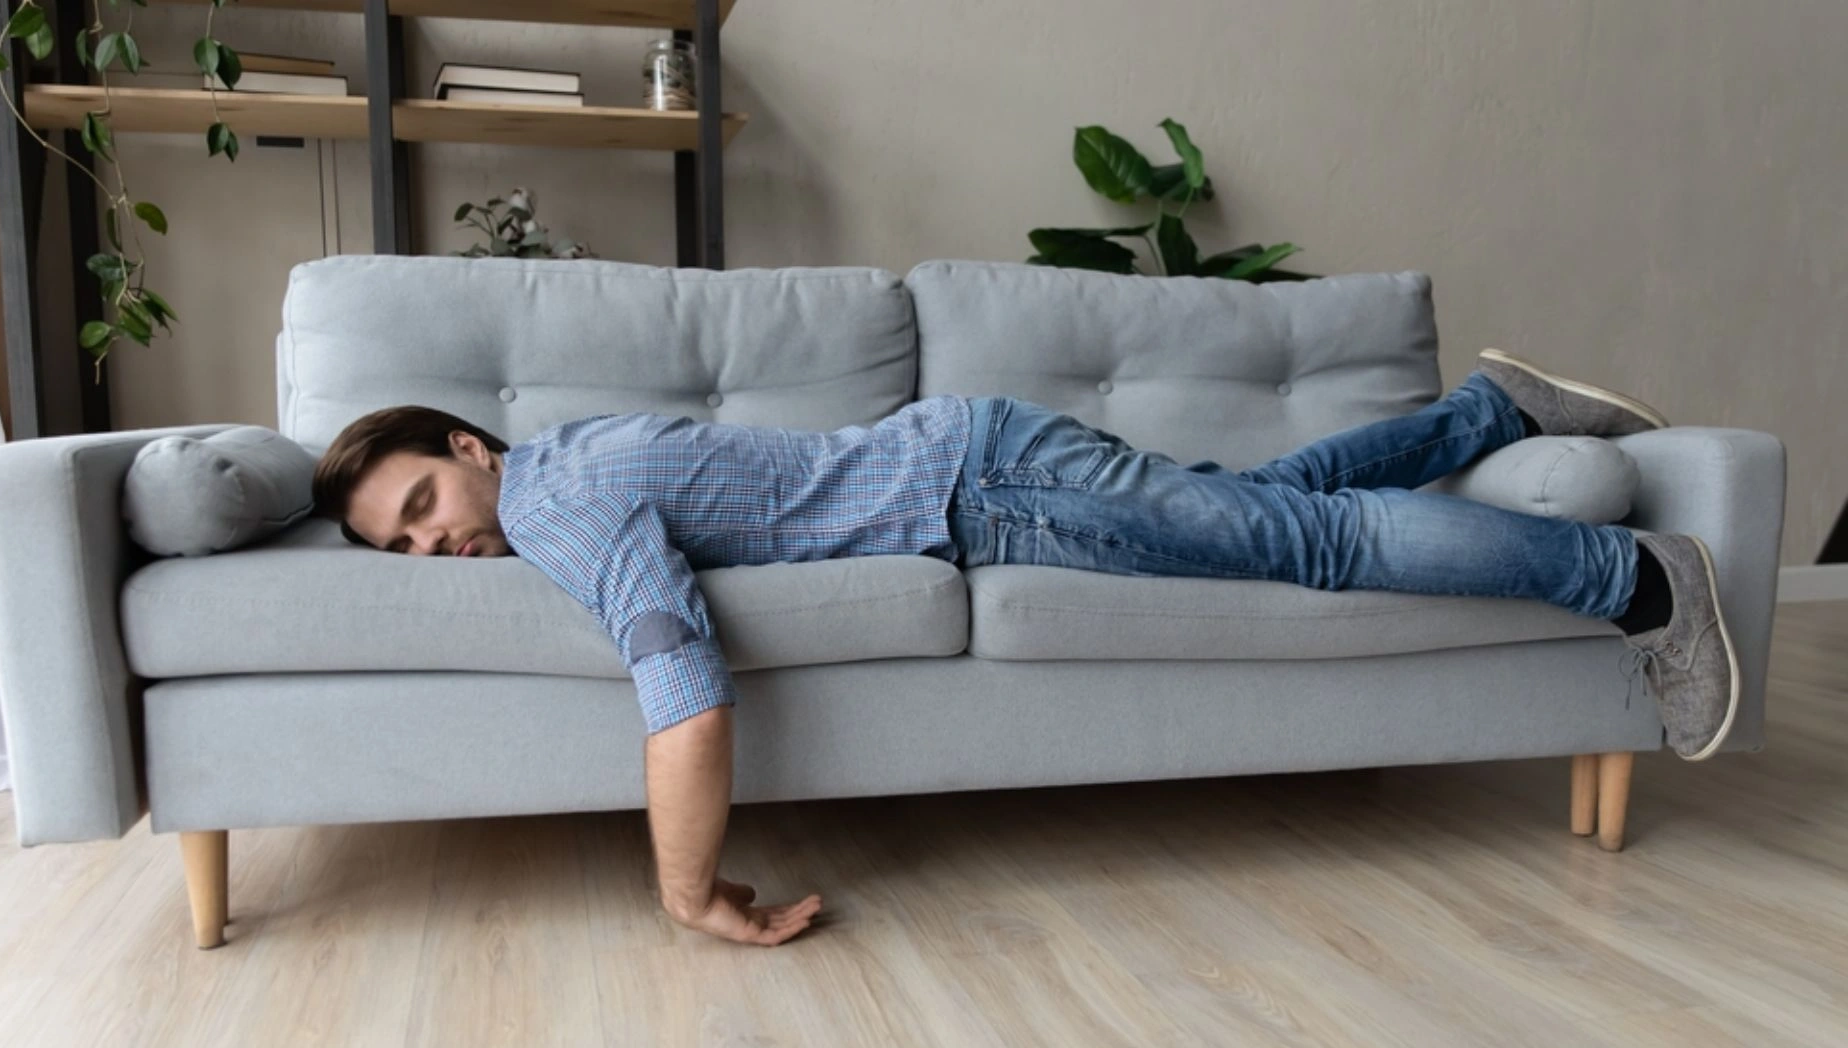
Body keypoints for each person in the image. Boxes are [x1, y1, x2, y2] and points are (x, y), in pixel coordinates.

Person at [311, 350, 1738, 948]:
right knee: (1273, 509)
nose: (439, 544)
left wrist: (687, 895)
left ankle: (1636, 582)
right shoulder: (563, 461)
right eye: (406, 547)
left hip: (988, 491)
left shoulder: (559, 501)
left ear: (469, 447)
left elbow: (682, 697)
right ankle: (1492, 413)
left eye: (429, 504)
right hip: (985, 459)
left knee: (1314, 551)